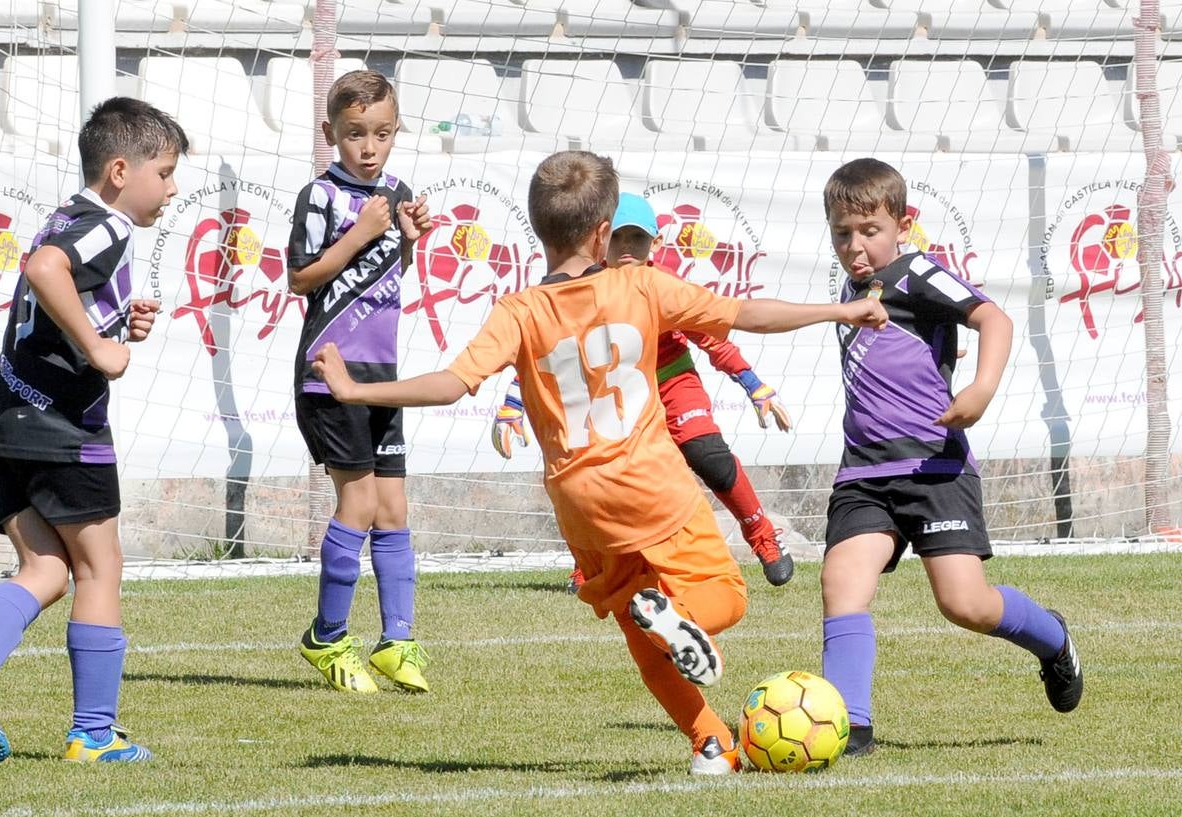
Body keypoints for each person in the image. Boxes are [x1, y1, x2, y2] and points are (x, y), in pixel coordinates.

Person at [311, 151, 887, 773]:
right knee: (727, 596)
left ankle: (711, 743)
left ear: (539, 231)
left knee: (640, 632)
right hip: (651, 486)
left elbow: (453, 383)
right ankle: (683, 619)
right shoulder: (638, 283)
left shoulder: (520, 311)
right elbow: (746, 315)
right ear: (603, 234)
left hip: (580, 503)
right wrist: (842, 309)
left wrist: (356, 390)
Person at [0, 97, 188, 764]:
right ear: (120, 170)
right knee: (100, 566)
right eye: (166, 172)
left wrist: (116, 323)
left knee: (45, 566)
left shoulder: (64, 217)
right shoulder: (109, 226)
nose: (173, 189)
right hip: (63, 428)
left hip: (5, 418)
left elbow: (51, 290)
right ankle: (93, 735)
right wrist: (99, 345)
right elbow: (44, 271)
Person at [818, 158, 1084, 757]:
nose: (855, 246)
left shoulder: (916, 274)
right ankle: (849, 727)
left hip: (935, 468)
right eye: (842, 233)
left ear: (902, 224)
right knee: (842, 584)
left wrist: (981, 389)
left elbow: (994, 317)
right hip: (864, 471)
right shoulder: (851, 289)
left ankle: (1054, 639)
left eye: (869, 231)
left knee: (964, 603)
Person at [491, 192, 795, 592]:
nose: (628, 248)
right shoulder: (583, 290)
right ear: (599, 240)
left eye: (638, 238)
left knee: (708, 456)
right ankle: (592, 562)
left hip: (670, 381)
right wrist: (513, 404)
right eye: (618, 238)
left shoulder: (659, 285)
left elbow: (712, 338)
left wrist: (755, 385)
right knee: (591, 470)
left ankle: (763, 536)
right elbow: (550, 353)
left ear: (656, 243)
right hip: (611, 393)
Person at [287, 70, 433, 694]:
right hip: (330, 370)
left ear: (396, 133)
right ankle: (326, 635)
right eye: (354, 135)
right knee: (361, 504)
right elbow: (302, 278)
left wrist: (406, 240)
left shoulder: (398, 192)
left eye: (381, 133)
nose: (368, 147)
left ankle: (397, 641)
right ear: (331, 134)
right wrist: (362, 233)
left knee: (395, 509)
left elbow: (389, 274)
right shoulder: (319, 197)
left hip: (381, 374)